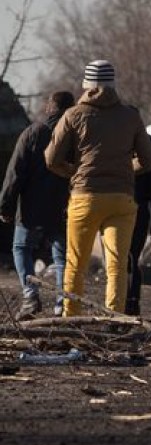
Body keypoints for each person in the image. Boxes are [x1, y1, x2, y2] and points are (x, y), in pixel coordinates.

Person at [45, 60, 151, 316]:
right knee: (116, 265)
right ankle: (114, 318)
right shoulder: (131, 116)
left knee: (75, 264)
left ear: (87, 85)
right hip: (121, 199)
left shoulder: (73, 115)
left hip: (85, 197)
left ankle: (71, 316)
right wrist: (126, 171)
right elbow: (148, 161)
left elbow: (51, 159)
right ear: (112, 84)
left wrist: (74, 173)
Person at [0, 91, 75, 319]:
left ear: (49, 108)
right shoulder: (75, 137)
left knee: (21, 248)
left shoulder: (33, 133)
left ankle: (30, 296)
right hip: (63, 206)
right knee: (61, 256)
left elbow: (15, 173)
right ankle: (62, 304)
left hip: (31, 207)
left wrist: (6, 205)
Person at [125, 134, 151, 316]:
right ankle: (132, 303)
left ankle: (117, 302)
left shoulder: (114, 137)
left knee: (118, 259)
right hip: (139, 207)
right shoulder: (149, 143)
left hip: (115, 204)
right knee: (134, 258)